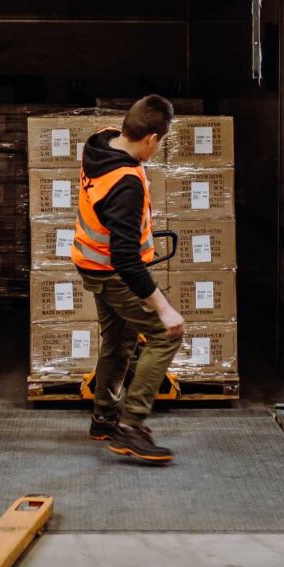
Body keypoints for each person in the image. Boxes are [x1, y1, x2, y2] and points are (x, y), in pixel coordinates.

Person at [72, 95, 184, 464]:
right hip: (113, 272)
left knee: (117, 341)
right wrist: (164, 309)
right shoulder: (126, 183)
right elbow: (126, 260)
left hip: (91, 263)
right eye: (161, 140)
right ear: (151, 138)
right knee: (164, 335)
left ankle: (104, 420)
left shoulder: (101, 141)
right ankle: (132, 426)